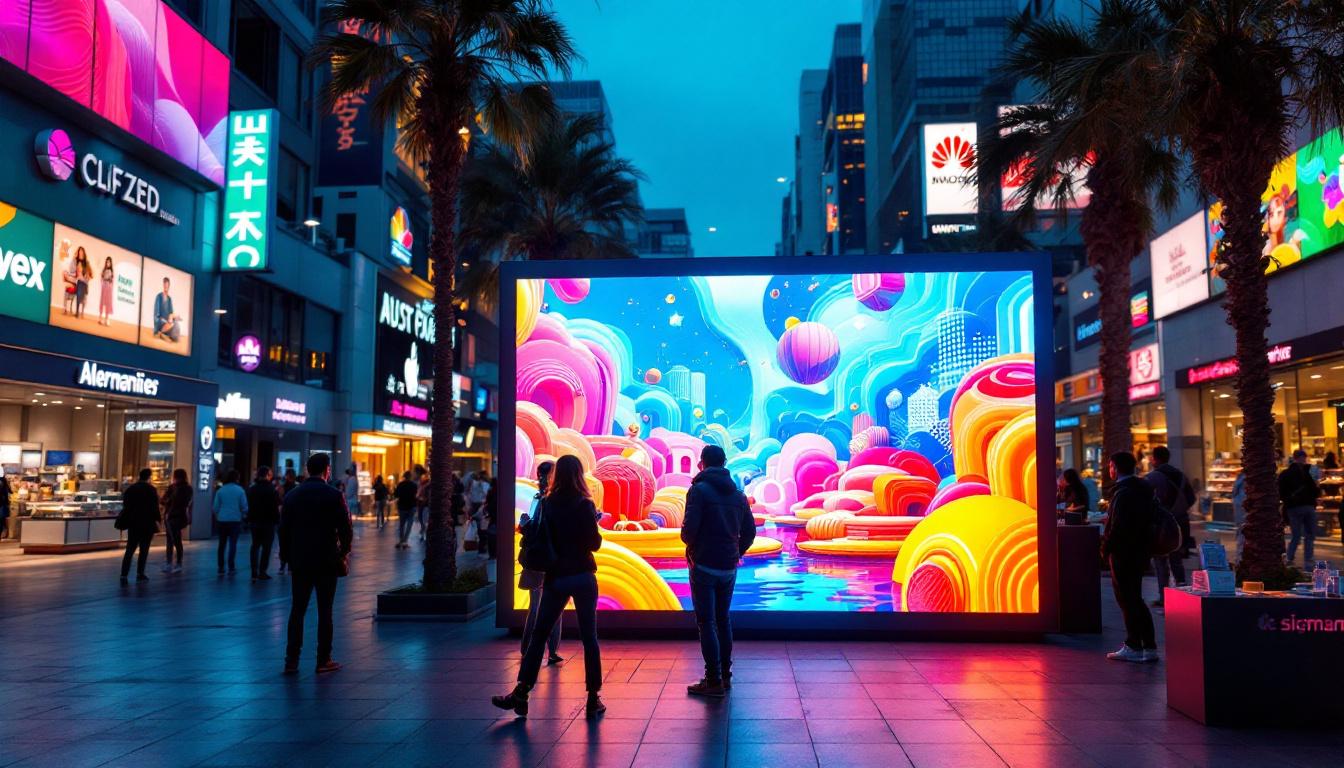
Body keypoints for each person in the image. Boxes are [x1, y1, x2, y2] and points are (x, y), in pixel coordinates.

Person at [493, 455, 604, 719]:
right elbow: (594, 544)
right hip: (583, 575)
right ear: (579, 474)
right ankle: (592, 697)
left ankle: (522, 691)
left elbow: (541, 536)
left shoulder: (548, 504)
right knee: (589, 637)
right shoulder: (585, 504)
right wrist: (594, 523)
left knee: (539, 634)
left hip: (556, 576)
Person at [681, 445, 757, 696]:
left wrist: (692, 547)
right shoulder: (738, 495)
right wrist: (737, 553)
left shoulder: (698, 491)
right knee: (723, 620)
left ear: (702, 463)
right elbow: (750, 532)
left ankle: (712, 680)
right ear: (724, 463)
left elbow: (688, 531)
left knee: (706, 622)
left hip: (703, 564)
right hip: (728, 566)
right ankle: (725, 674)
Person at [279, 453, 353, 675]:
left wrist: (287, 556)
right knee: (325, 610)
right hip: (327, 559)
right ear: (327, 470)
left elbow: (283, 529)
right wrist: (343, 552)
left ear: (307, 469)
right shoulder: (334, 495)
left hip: (301, 560)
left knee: (297, 610)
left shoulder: (293, 495)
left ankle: (291, 660)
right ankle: (323, 659)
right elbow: (346, 529)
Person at [1100, 452, 1158, 663]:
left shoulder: (1124, 492)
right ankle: (1148, 646)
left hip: (1125, 552)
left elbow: (1119, 527)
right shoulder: (1142, 488)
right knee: (1135, 598)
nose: (1109, 470)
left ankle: (1134, 645)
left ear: (1114, 467)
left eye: (1110, 466)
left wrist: (1105, 548)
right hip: (1140, 550)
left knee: (1127, 598)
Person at [518, 461, 562, 664]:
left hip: (540, 557)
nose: (542, 479)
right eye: (542, 475)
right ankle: (536, 649)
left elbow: (530, 527)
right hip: (548, 558)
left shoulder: (541, 499)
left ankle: (533, 649)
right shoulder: (552, 500)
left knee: (541, 606)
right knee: (543, 606)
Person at [1146, 446, 1196, 608]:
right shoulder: (1181, 475)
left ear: (1155, 459)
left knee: (1161, 561)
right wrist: (1179, 510)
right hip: (1181, 522)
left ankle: (1164, 597)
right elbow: (1191, 498)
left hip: (1161, 525)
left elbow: (1146, 501)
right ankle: (1182, 594)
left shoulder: (1152, 477)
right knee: (1177, 560)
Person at [1279, 449, 1320, 567]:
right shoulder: (1312, 471)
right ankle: (1308, 559)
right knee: (1310, 534)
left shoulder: (1285, 473)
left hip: (1293, 508)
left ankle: (1290, 557)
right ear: (1304, 457)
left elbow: (1280, 491)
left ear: (1294, 457)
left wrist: (1288, 501)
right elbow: (1317, 490)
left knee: (1296, 535)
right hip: (1308, 506)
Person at [119, 469, 161, 584]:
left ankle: (124, 574)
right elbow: (155, 507)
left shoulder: (131, 489)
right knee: (144, 549)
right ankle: (140, 573)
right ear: (149, 477)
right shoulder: (151, 490)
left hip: (133, 522)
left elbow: (126, 505)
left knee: (130, 549)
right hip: (147, 523)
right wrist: (158, 520)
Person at [213, 469, 248, 574]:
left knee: (222, 544)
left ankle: (220, 567)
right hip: (235, 520)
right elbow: (245, 507)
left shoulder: (221, 490)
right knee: (233, 544)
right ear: (237, 478)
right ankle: (231, 566)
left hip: (222, 520)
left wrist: (218, 516)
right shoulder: (240, 490)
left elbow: (215, 507)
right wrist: (242, 514)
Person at [248, 466, 281, 582]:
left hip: (255, 521)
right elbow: (276, 507)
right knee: (266, 548)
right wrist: (277, 520)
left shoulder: (252, 489)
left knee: (255, 546)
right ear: (267, 475)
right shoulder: (272, 489)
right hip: (268, 522)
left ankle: (253, 571)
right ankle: (262, 571)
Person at [160, 468, 192, 572]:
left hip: (171, 516)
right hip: (177, 516)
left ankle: (171, 563)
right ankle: (177, 563)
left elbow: (163, 500)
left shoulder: (174, 488)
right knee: (175, 540)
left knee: (172, 540)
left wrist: (167, 503)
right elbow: (186, 503)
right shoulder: (187, 488)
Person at [278, 469, 298, 575]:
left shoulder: (283, 486)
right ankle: (290, 566)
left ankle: (283, 566)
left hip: (284, 518)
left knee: (283, 543)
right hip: (293, 519)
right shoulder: (297, 487)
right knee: (291, 543)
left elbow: (280, 499)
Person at [394, 471, 418, 549]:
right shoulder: (414, 485)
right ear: (410, 476)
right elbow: (416, 495)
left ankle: (401, 540)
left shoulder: (400, 484)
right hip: (411, 506)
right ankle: (405, 541)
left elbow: (396, 495)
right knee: (409, 525)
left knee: (402, 524)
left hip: (402, 506)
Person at [153, 277, 181, 342]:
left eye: (167, 286)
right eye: (165, 285)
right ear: (163, 285)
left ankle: (164, 335)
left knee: (177, 325)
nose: (166, 287)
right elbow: (156, 315)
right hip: (160, 322)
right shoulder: (159, 297)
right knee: (171, 324)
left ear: (169, 286)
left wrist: (175, 317)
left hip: (168, 323)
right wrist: (165, 321)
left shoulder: (169, 299)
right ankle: (160, 333)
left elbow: (171, 313)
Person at [480, 477, 498, 560]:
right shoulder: (501, 491)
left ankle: (492, 553)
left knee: (491, 535)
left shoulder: (491, 491)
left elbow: (487, 502)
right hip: (497, 516)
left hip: (492, 516)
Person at [415, 466, 430, 541]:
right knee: (421, 518)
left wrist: (419, 495)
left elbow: (422, 488)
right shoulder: (422, 479)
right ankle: (423, 530)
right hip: (421, 501)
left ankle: (423, 531)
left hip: (424, 501)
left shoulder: (425, 478)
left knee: (423, 518)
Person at [98, 256, 114, 326]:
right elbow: (101, 279)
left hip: (109, 289)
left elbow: (112, 281)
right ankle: (100, 317)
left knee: (108, 304)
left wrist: (110, 283)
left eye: (109, 262)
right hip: (104, 288)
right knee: (102, 302)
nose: (108, 263)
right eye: (107, 262)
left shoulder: (112, 271)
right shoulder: (103, 270)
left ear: (111, 263)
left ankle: (107, 319)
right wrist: (103, 282)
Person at [0, 474, 11, 541]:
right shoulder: (3, 481)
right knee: (2, 519)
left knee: (2, 519)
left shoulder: (2, 481)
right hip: (3, 504)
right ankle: (4, 532)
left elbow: (9, 492)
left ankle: (4, 532)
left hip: (2, 504)